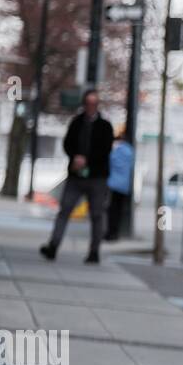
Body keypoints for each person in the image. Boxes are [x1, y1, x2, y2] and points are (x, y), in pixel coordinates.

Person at [41, 88, 115, 264]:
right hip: (75, 176)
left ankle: (94, 252)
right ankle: (53, 246)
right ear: (84, 104)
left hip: (97, 178)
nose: (90, 107)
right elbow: (67, 143)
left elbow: (105, 150)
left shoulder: (105, 126)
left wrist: (87, 160)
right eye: (88, 103)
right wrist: (75, 157)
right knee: (64, 211)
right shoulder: (76, 122)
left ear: (97, 105)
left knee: (97, 214)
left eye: (94, 103)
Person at [104, 128, 134, 241]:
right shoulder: (130, 151)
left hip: (114, 184)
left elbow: (110, 161)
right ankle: (115, 233)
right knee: (119, 210)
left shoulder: (117, 150)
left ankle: (111, 233)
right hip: (124, 185)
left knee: (112, 210)